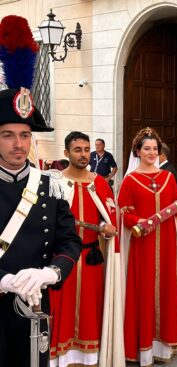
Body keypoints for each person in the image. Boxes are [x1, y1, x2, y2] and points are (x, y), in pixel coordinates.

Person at [0, 15, 81, 366]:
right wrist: (4, 281)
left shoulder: (49, 185)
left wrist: (51, 273)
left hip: (35, 308)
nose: (19, 144)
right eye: (8, 135)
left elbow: (69, 240)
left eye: (25, 135)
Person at [118, 127, 177, 365]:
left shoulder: (168, 178)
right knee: (144, 291)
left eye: (155, 149)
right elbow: (124, 214)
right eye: (147, 148)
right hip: (143, 245)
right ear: (137, 151)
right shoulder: (129, 180)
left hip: (168, 244)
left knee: (166, 289)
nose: (151, 153)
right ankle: (144, 347)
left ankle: (163, 345)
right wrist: (138, 221)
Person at [49, 132, 120, 367]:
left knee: (90, 309)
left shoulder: (99, 183)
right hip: (61, 260)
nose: (83, 154)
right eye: (78, 150)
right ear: (66, 153)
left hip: (91, 257)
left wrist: (106, 227)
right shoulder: (55, 182)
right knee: (61, 309)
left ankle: (88, 358)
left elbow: (107, 217)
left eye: (87, 149)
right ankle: (60, 358)